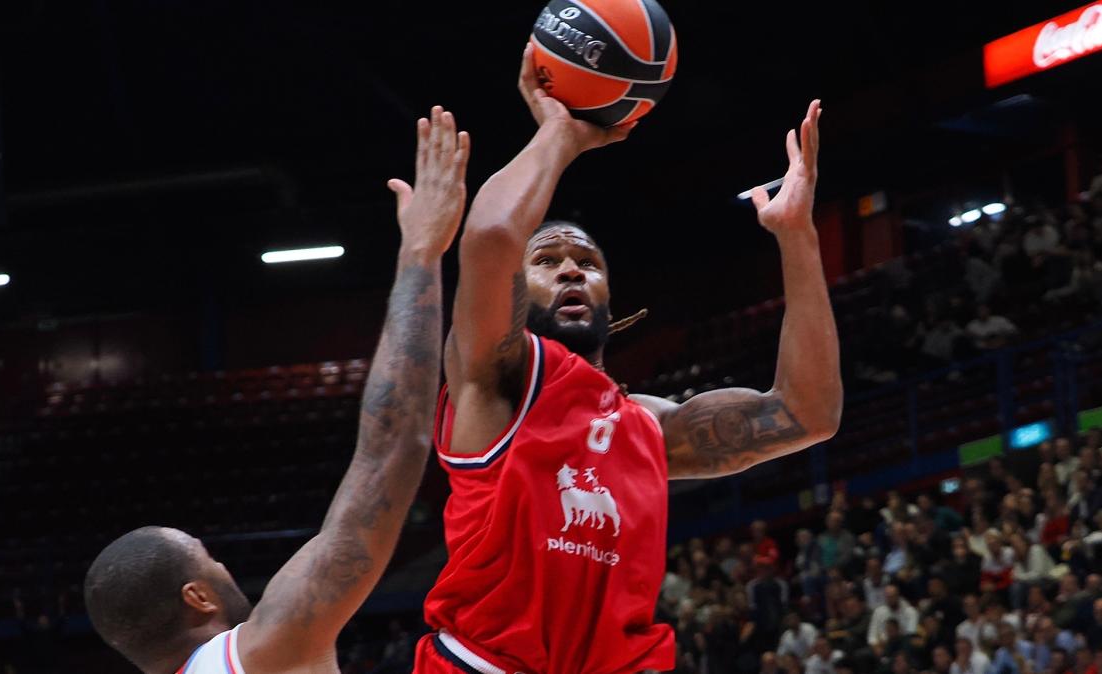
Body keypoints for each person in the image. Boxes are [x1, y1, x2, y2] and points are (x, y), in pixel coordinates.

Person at [415, 44, 842, 674]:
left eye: (587, 263)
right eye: (549, 259)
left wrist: (797, 238)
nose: (570, 268)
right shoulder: (496, 377)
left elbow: (808, 413)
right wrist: (560, 132)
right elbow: (491, 238)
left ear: (609, 301)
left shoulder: (646, 426)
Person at [81, 109, 469, 674]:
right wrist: (422, 253)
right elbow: (392, 450)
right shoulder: (261, 651)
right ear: (198, 598)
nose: (225, 567)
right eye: (210, 560)